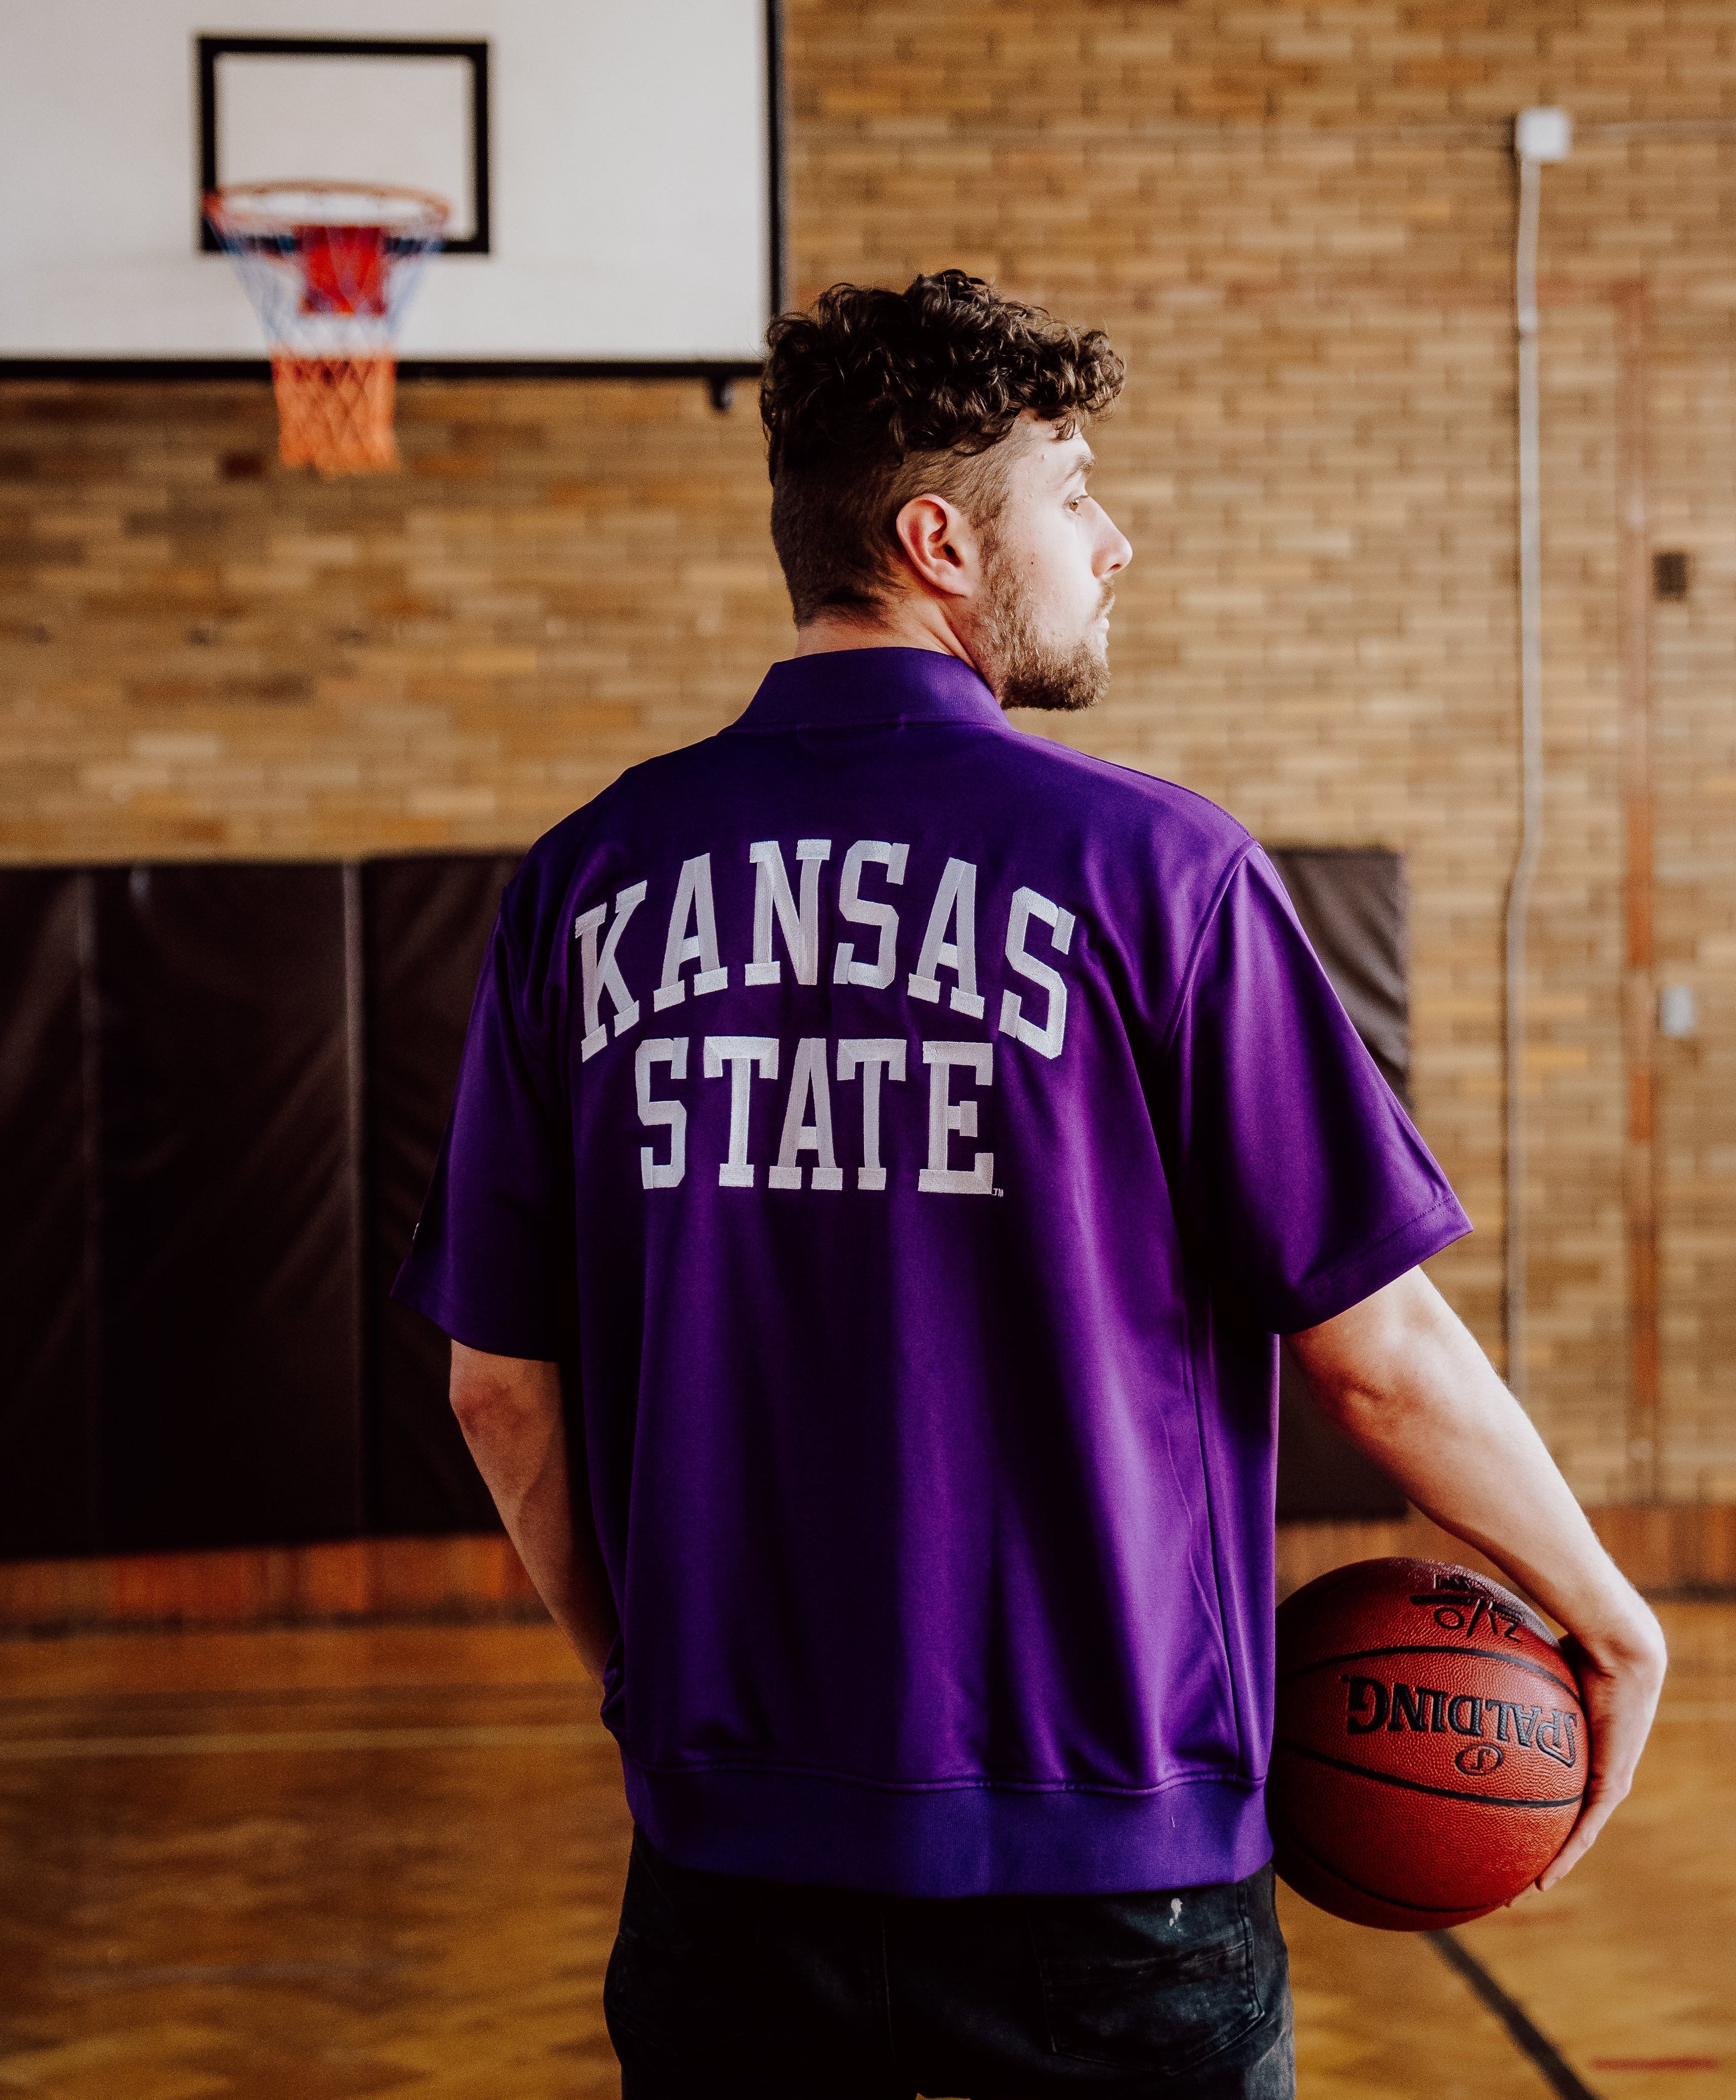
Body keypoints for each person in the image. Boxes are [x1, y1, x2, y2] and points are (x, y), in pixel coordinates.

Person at [394, 270, 1667, 2099]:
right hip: (1112, 1882)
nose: (1115, 541)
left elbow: (501, 1396)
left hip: (729, 1866)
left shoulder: (582, 884)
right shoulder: (1165, 874)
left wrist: (647, 1692)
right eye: (1072, 492)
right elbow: (1374, 1354)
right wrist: (1607, 1614)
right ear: (942, 541)